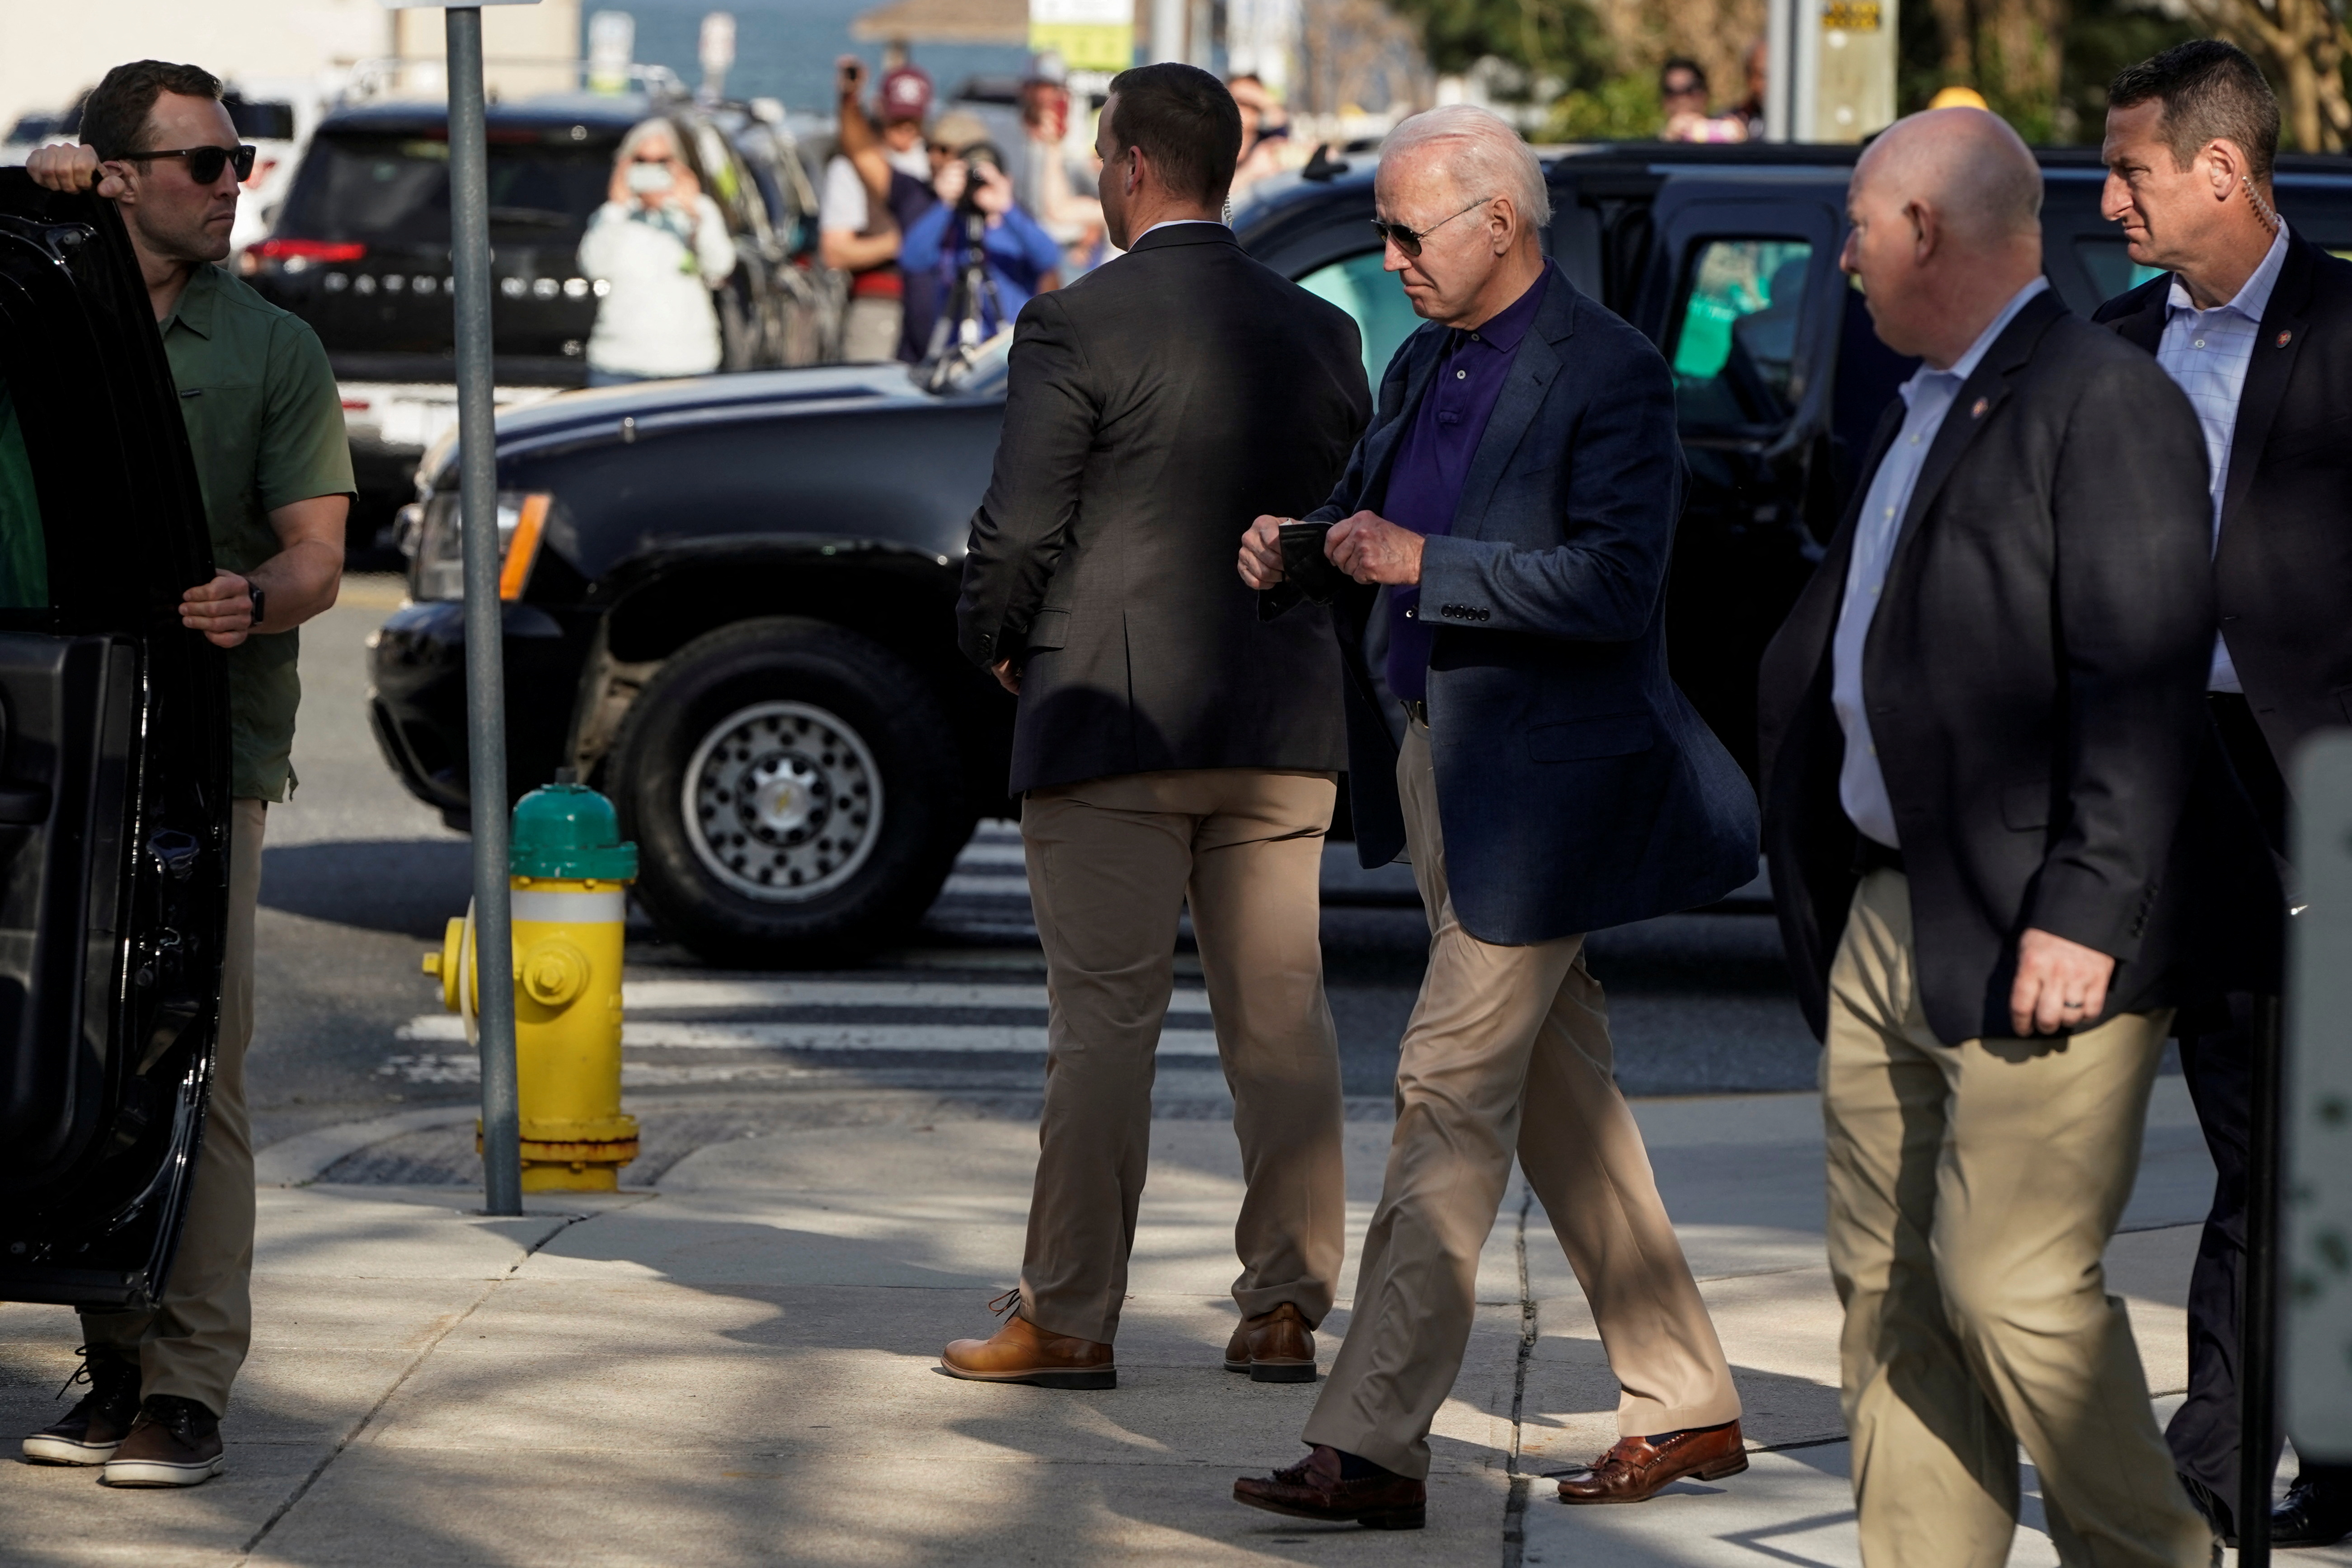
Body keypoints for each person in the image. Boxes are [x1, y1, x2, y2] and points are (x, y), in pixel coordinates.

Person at [1231, 103, 1758, 1530]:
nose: (1388, 255)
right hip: (1434, 760)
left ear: (1500, 225)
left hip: (1547, 791)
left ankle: (1372, 1439)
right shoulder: (1421, 356)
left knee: (1445, 1088)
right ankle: (1689, 1397)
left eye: (1409, 231)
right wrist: (1299, 548)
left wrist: (1425, 559)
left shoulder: (1613, 372)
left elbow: (1608, 584)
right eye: (1386, 232)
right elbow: (1363, 515)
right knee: (1557, 1102)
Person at [1755, 105, 2222, 1567]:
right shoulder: (1916, 403)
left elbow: (2138, 684)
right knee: (1888, 1297)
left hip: (2038, 925)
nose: (1839, 257)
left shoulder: (2101, 399)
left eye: (1852, 225)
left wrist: (2083, 910)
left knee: (2006, 1280)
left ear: (1922, 232)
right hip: (1891, 908)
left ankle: (2156, 1555)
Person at [944, 61, 1370, 1394]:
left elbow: (1019, 524)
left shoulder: (1075, 322)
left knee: (1106, 1026)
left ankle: (1071, 1310)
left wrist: (994, 637)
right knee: (1281, 1021)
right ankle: (1287, 1303)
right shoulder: (1322, 332)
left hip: (1109, 711)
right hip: (1275, 715)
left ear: (1130, 165)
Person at [21, 59, 351, 1488]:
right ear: (119, 170)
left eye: (239, 162)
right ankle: (113, 1360)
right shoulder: (37, 299)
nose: (233, 186)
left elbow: (319, 556)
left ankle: (191, 1381)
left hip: (205, 747)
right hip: (47, 727)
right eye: (206, 164)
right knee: (69, 1044)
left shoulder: (273, 345)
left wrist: (255, 600)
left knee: (192, 1053)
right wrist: (29, 189)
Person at [2093, 38, 2352, 1551]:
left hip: (2309, 779)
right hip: (2155, 781)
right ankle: (2240, 1452)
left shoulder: (2341, 328)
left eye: (2129, 169)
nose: (2108, 196)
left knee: (2292, 1140)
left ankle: (2223, 1464)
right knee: (2253, 1131)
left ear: (2222, 169)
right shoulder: (2106, 345)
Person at [577, 118, 735, 385]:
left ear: (679, 165)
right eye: (641, 161)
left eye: (662, 161)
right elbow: (592, 266)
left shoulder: (700, 212)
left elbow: (720, 266)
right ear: (625, 164)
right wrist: (617, 207)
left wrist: (694, 215)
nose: (651, 170)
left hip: (689, 364)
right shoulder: (612, 216)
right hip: (618, 363)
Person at [900, 133, 1063, 353]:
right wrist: (946, 203)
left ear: (1007, 180)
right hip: (955, 349)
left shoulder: (1017, 226)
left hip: (1006, 349)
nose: (979, 187)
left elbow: (1049, 258)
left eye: (987, 178)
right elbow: (912, 260)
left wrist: (1006, 207)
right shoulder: (950, 227)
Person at [821, 61, 935, 362]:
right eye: (897, 121)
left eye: (913, 121)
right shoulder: (850, 169)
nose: (905, 131)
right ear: (879, 109)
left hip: (934, 302)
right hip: (881, 301)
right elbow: (834, 252)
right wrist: (904, 242)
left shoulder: (936, 161)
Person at [1228, 73, 1291, 195]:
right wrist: (1250, 172)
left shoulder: (1266, 143)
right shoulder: (1210, 145)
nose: (1244, 109)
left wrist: (1264, 99)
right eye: (1238, 100)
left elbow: (1281, 124)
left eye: (1252, 105)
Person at [1661, 57, 1746, 143]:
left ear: (1705, 94)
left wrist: (1741, 146)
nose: (1681, 99)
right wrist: (1667, 143)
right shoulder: (1654, 146)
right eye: (1671, 92)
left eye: (1690, 90)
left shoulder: (1726, 135)